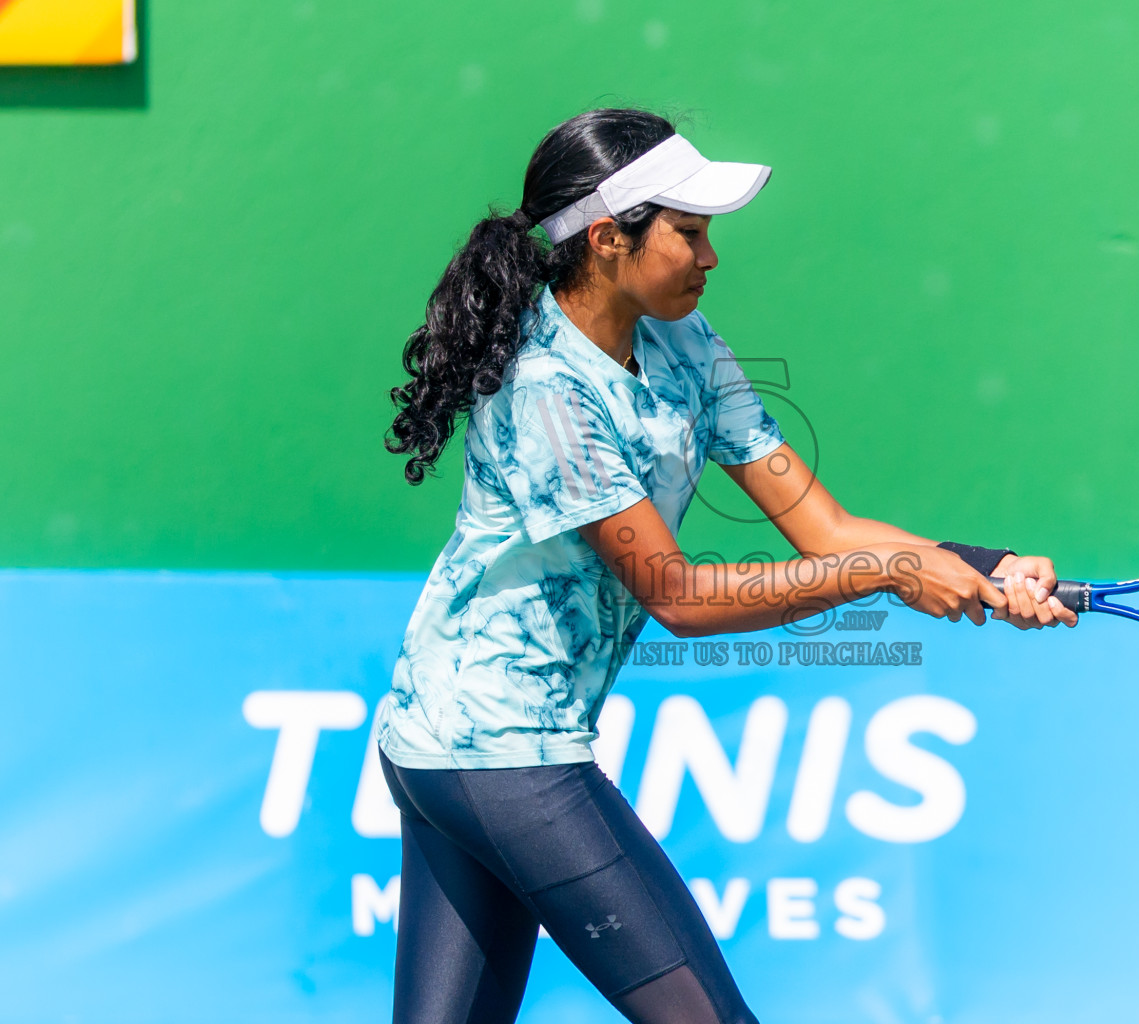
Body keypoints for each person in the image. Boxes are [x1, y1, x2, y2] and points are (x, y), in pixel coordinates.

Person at [378, 107, 1077, 1024]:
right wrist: (891, 576)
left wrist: (981, 563)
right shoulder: (545, 392)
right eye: (690, 235)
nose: (712, 260)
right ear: (607, 239)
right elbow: (677, 598)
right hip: (499, 751)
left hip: (452, 743)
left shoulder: (688, 345)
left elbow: (824, 528)